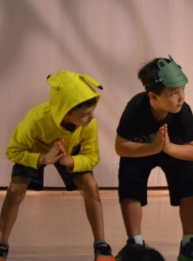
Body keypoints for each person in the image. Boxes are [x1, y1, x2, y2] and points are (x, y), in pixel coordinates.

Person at [0, 70, 115, 261]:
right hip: (35, 152)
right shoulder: (36, 119)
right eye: (85, 114)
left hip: (69, 153)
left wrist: (71, 161)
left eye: (92, 111)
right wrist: (42, 158)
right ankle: (1, 244)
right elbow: (12, 151)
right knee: (16, 188)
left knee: (91, 186)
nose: (92, 117)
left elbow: (92, 156)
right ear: (66, 114)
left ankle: (101, 245)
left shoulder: (88, 125)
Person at [115, 55, 193, 261]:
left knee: (188, 176)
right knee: (128, 174)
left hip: (171, 150)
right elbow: (121, 146)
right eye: (174, 93)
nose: (182, 97)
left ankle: (189, 242)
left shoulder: (183, 111)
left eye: (183, 90)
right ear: (153, 97)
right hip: (144, 150)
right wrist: (152, 147)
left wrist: (167, 147)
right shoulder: (135, 107)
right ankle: (135, 242)